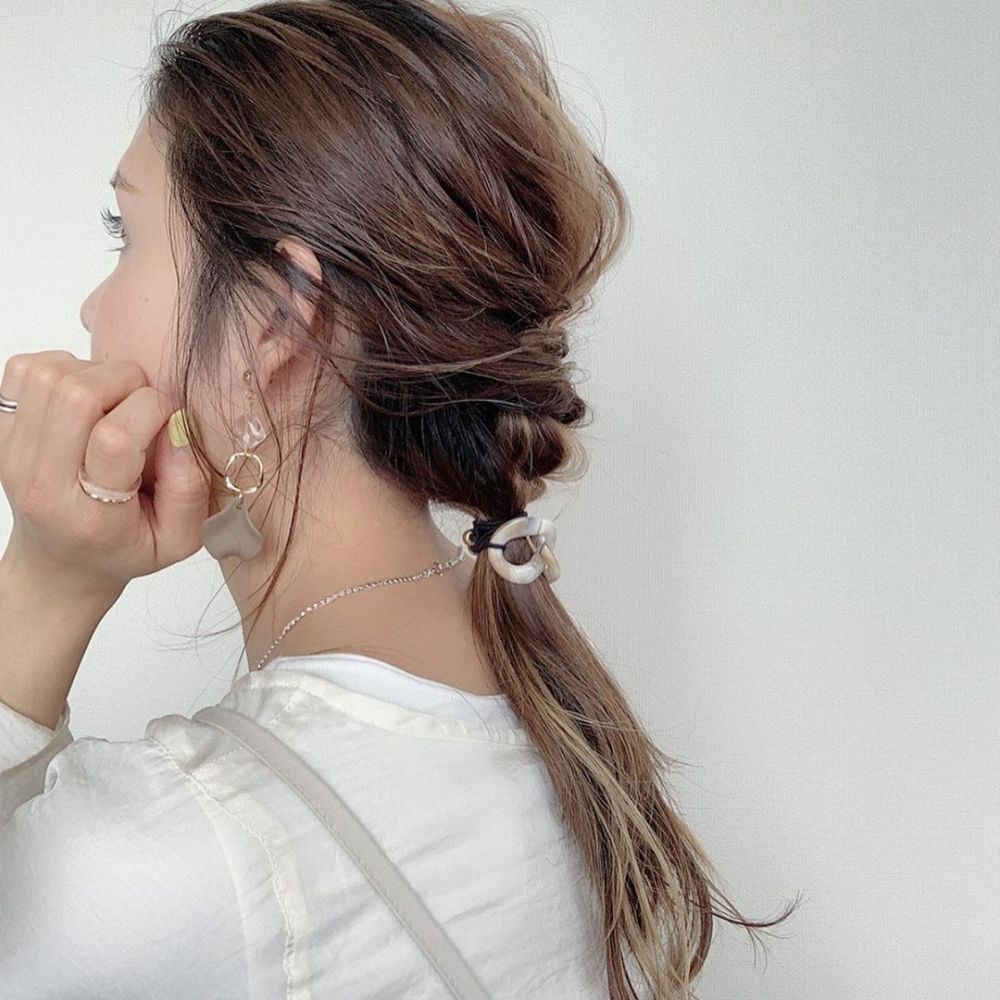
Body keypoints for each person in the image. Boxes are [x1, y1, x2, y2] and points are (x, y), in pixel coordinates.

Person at [0, 2, 799, 997]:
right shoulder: (553, 733)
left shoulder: (183, 863)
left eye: (126, 233)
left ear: (280, 318)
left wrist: (46, 580)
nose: (91, 309)